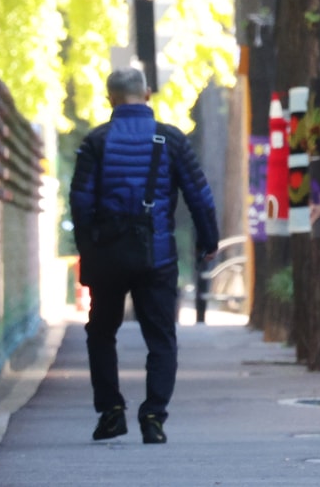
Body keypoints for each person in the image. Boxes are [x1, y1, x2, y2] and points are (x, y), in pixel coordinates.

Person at [70, 68, 219, 444]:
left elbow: (81, 202)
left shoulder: (96, 142)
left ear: (110, 99)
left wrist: (88, 252)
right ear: (147, 94)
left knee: (102, 332)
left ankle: (111, 411)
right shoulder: (170, 140)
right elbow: (199, 196)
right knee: (161, 337)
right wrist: (208, 240)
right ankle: (153, 416)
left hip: (108, 257)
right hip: (158, 256)